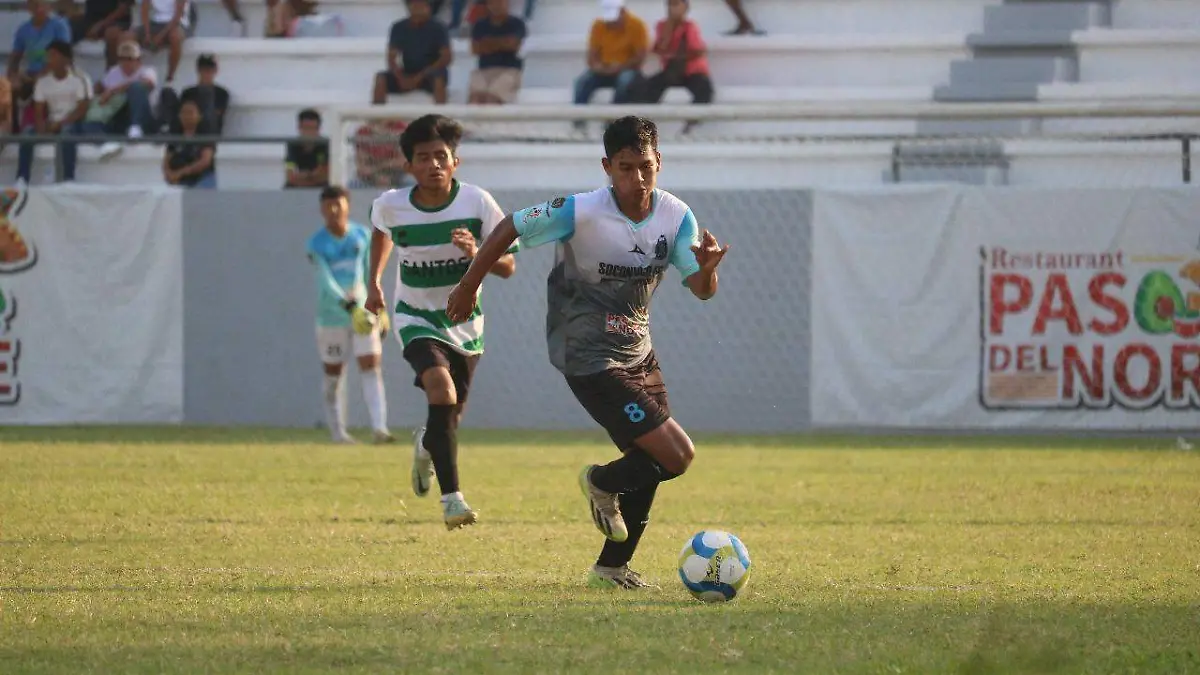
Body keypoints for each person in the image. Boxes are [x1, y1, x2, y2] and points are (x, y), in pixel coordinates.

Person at [445, 116, 730, 588]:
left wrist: (708, 270)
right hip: (586, 353)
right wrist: (468, 284)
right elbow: (510, 225)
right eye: (625, 167)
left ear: (659, 162)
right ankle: (599, 481)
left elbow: (700, 290)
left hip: (638, 352)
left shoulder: (677, 217)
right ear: (607, 167)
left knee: (648, 462)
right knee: (677, 455)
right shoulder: (580, 210)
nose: (637, 178)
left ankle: (611, 568)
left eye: (645, 166)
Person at [364, 114, 518, 531]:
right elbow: (381, 231)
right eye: (423, 157)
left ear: (455, 162)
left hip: (465, 323)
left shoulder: (477, 203)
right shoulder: (391, 204)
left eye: (440, 156)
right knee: (441, 389)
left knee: (449, 416)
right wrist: (374, 283)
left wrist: (476, 254)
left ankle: (426, 446)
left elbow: (508, 267)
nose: (433, 164)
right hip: (414, 316)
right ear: (408, 165)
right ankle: (452, 500)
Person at [307, 186, 395, 445]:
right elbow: (325, 281)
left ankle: (379, 428)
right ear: (322, 209)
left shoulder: (361, 235)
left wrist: (381, 309)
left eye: (339, 204)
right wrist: (348, 306)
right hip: (332, 317)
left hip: (363, 313)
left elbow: (370, 273)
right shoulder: (316, 244)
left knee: (371, 366)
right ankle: (338, 433)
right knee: (334, 373)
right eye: (328, 206)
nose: (334, 210)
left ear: (348, 205)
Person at [17, 40, 91, 183]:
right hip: (51, 122)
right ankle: (22, 178)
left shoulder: (78, 79)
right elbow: (38, 110)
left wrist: (60, 123)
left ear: (65, 59)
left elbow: (81, 109)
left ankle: (68, 178)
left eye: (53, 55)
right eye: (48, 56)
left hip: (73, 123)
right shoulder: (43, 82)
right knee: (27, 133)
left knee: (67, 132)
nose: (48, 59)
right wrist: (41, 128)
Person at [373, 0, 452, 105]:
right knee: (380, 78)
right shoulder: (398, 27)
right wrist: (400, 77)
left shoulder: (439, 28)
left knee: (439, 79)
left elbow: (446, 58)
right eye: (415, 5)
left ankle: (441, 113)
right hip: (407, 72)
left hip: (430, 73)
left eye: (423, 5)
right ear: (410, 7)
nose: (419, 9)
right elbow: (391, 58)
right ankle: (378, 113)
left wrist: (419, 77)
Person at [640, 0, 713, 113]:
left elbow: (698, 51)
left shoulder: (690, 26)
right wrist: (669, 29)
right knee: (646, 87)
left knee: (704, 89)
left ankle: (692, 120)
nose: (671, 8)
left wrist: (676, 56)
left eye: (675, 5)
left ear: (685, 8)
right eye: (669, 5)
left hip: (692, 72)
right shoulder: (662, 25)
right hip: (672, 71)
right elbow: (659, 48)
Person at [162, 99, 215, 187]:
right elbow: (167, 158)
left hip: (201, 179)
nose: (187, 116)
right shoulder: (176, 136)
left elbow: (205, 161)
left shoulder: (205, 136)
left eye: (190, 112)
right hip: (177, 179)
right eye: (183, 113)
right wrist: (169, 173)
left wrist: (181, 173)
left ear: (199, 116)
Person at [284, 108, 330, 188]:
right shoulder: (293, 145)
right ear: (299, 128)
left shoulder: (324, 145)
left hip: (320, 186)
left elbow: (323, 175)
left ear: (318, 129)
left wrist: (303, 176)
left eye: (313, 128)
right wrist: (311, 176)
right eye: (306, 128)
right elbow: (289, 175)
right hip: (297, 186)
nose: (309, 133)